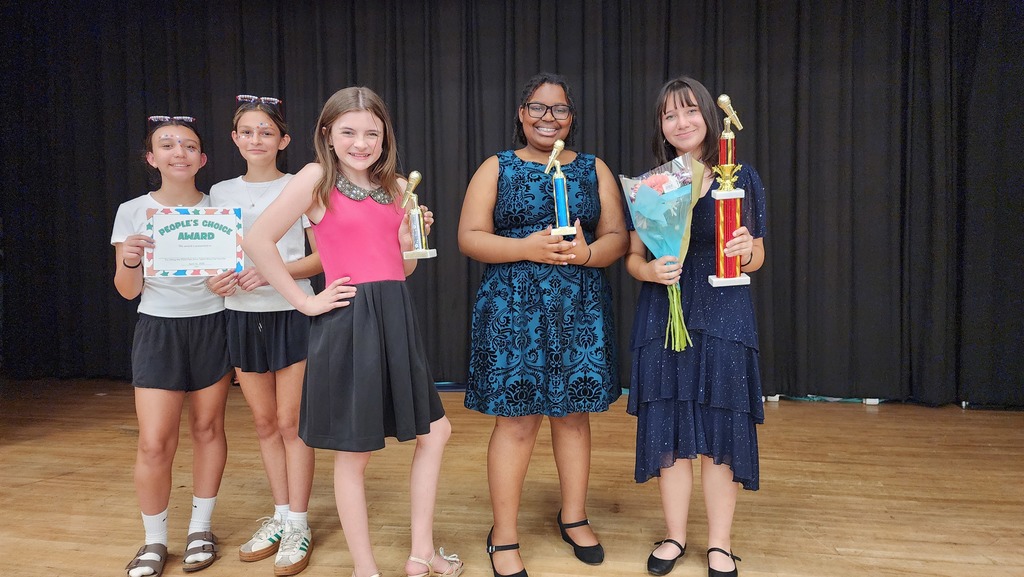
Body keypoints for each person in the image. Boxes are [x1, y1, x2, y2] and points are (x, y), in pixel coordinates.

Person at [243, 86, 464, 577]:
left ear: (385, 135)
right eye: (348, 131)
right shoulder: (317, 178)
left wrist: (410, 235)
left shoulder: (395, 186)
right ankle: (366, 570)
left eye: (371, 132)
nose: (361, 142)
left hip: (395, 316)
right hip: (348, 321)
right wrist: (304, 301)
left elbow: (401, 269)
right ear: (328, 133)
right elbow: (257, 239)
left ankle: (420, 553)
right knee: (354, 451)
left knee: (436, 432)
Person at [458, 72, 628, 577]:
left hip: (579, 308)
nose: (547, 117)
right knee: (515, 422)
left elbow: (617, 234)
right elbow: (470, 236)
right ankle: (503, 535)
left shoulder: (595, 168)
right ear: (521, 113)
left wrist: (589, 252)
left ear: (571, 118)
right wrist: (525, 248)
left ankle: (574, 516)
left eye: (558, 109)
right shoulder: (498, 166)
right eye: (537, 107)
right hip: (512, 311)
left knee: (574, 416)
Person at [625, 75, 767, 577]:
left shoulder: (740, 176)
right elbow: (633, 259)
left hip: (725, 318)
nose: (680, 122)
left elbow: (759, 255)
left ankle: (721, 544)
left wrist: (747, 251)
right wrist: (649, 271)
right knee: (669, 426)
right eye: (669, 114)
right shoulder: (654, 183)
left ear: (709, 116)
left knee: (723, 427)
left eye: (689, 111)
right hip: (665, 316)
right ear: (661, 125)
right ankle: (675, 535)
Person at [112, 116, 232, 577]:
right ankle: (154, 540)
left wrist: (230, 284)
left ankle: (201, 529)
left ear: (202, 158)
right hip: (158, 329)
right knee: (154, 442)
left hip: (213, 325)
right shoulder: (133, 211)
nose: (178, 152)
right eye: (167, 144)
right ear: (151, 157)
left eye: (189, 145)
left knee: (208, 429)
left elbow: (235, 275)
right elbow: (126, 290)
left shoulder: (220, 208)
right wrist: (130, 257)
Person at [208, 94, 321, 576]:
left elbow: (323, 258)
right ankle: (279, 515)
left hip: (292, 311)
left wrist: (275, 273)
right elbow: (214, 257)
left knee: (292, 421)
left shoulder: (303, 186)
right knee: (263, 424)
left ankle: (299, 522)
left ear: (284, 140)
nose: (256, 139)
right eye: (247, 132)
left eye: (266, 132)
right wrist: (216, 280)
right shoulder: (217, 193)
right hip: (239, 314)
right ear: (235, 139)